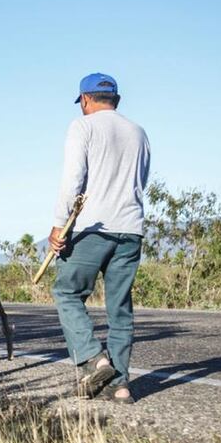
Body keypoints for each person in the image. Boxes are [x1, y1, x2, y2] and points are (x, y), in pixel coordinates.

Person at [49, 73, 151, 404]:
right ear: (115, 100)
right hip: (130, 227)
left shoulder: (83, 126)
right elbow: (142, 180)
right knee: (119, 308)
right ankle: (120, 387)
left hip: (92, 227)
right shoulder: (138, 132)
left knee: (67, 292)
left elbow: (73, 178)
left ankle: (94, 360)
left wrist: (59, 224)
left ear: (85, 99)